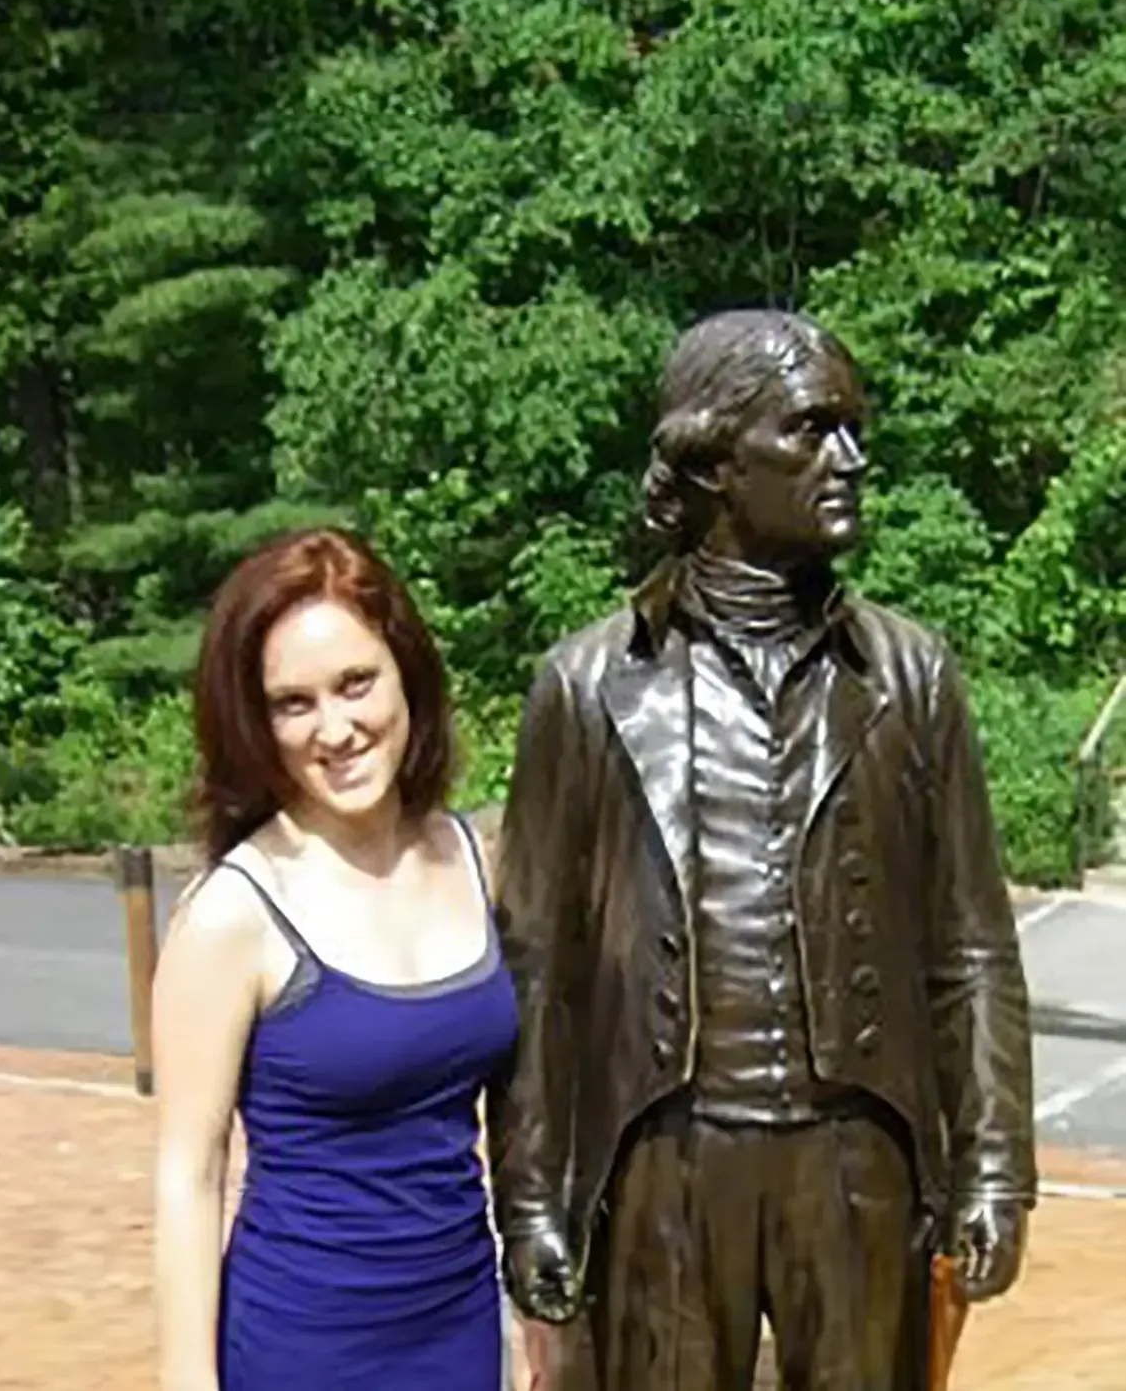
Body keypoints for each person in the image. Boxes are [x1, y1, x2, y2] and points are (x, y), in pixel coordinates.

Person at [488, 310, 1036, 1391]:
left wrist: (995, 1169)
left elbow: (972, 946)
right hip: (662, 1160)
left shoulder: (912, 677)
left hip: (859, 1157)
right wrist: (533, 1202)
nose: (851, 459)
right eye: (813, 430)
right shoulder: (590, 686)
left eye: (854, 429)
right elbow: (540, 968)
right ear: (717, 458)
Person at [152, 527, 519, 1391]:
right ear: (257, 722)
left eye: (356, 684)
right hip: (304, 1344)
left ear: (407, 676)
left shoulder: (479, 860)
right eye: (294, 702)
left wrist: (537, 1310)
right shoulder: (234, 914)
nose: (336, 728)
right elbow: (188, 1173)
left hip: (460, 1326)